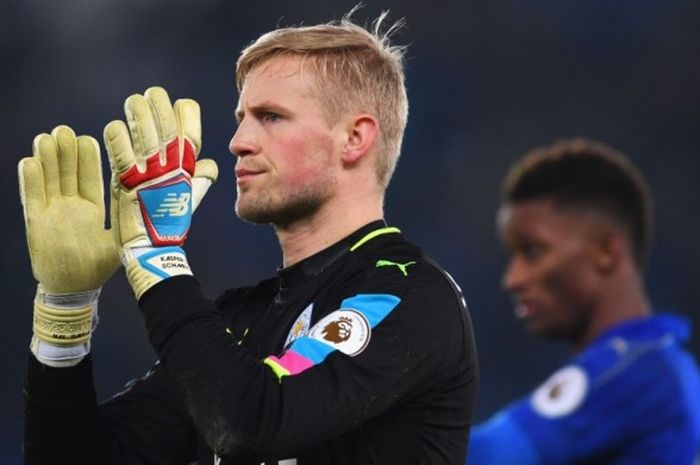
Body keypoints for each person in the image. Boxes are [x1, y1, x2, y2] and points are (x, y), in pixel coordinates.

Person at [20, 11, 478, 465]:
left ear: (354, 138)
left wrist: (157, 256)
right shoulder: (239, 318)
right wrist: (65, 314)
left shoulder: (411, 295)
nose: (238, 140)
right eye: (241, 118)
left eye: (272, 117)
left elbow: (254, 425)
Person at [468, 138, 700, 464]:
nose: (513, 278)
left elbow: (482, 457)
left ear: (605, 252)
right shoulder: (663, 366)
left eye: (532, 251)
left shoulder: (637, 373)